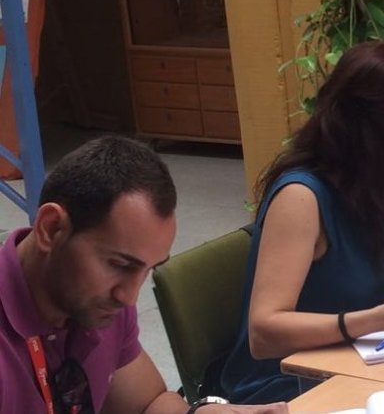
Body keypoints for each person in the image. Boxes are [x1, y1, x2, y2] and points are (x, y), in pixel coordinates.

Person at [221, 42, 384, 403]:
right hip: (287, 385)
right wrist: (377, 319)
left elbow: (359, 268)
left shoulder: (374, 178)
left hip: (356, 362)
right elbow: (263, 333)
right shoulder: (301, 198)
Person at [0, 135, 286, 414]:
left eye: (146, 269)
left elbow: (148, 403)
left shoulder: (97, 303)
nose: (129, 296)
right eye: (119, 265)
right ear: (51, 228)